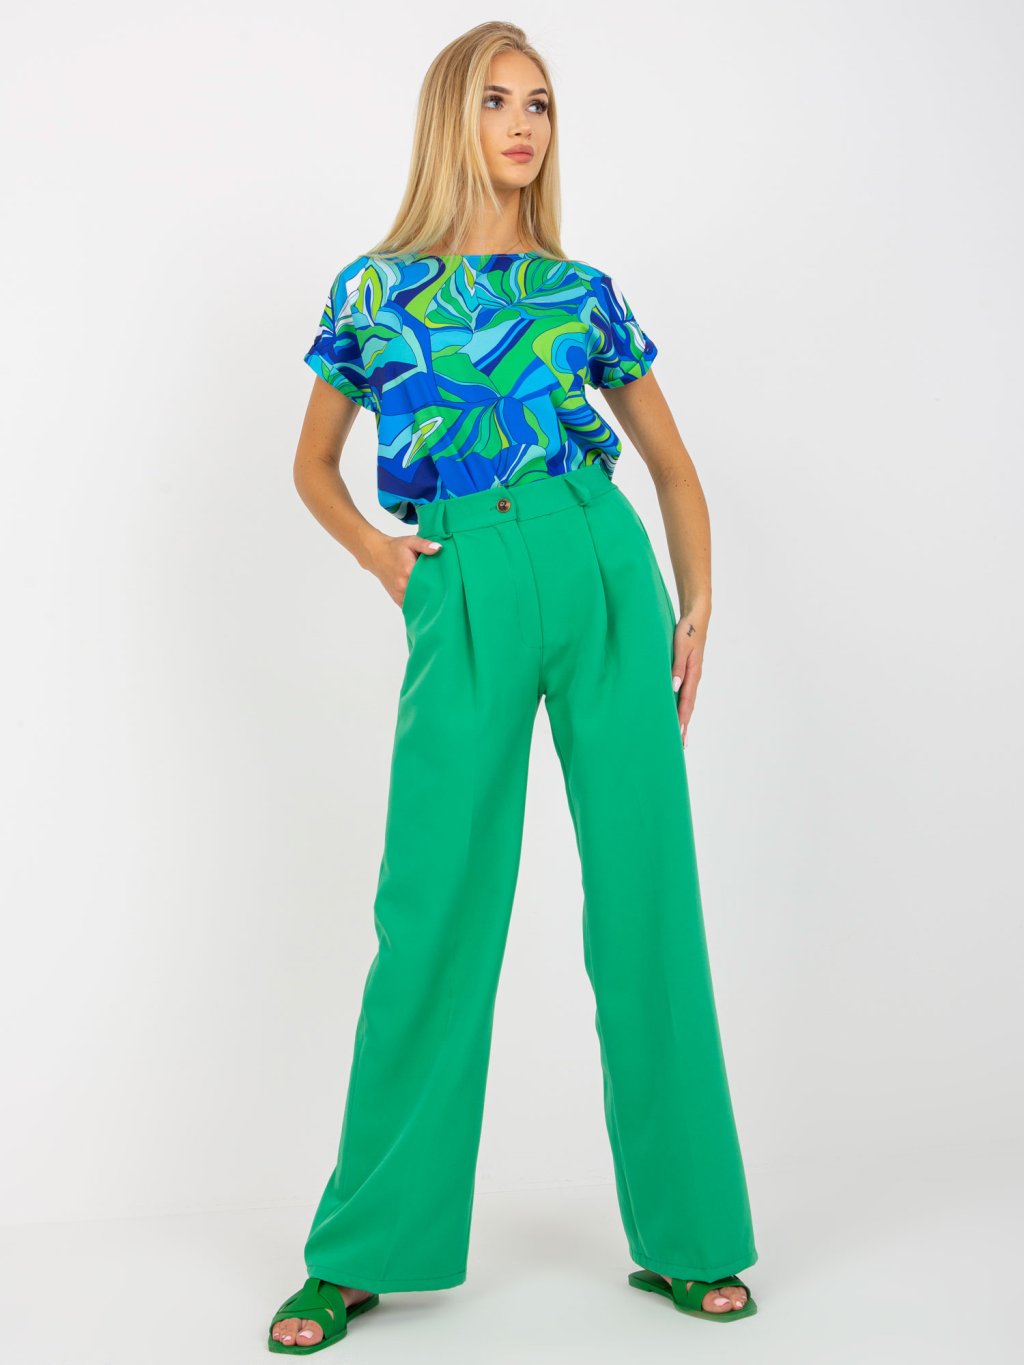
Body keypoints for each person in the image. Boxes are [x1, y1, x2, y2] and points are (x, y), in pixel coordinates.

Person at [268, 20, 759, 1354]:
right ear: (454, 119)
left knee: (647, 900)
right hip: (462, 580)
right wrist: (381, 553)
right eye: (497, 101)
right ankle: (359, 1250)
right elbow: (311, 463)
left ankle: (693, 1237)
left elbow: (672, 466)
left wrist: (696, 604)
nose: (524, 124)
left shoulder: (580, 291)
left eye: (539, 103)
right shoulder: (373, 292)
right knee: (433, 908)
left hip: (600, 567)